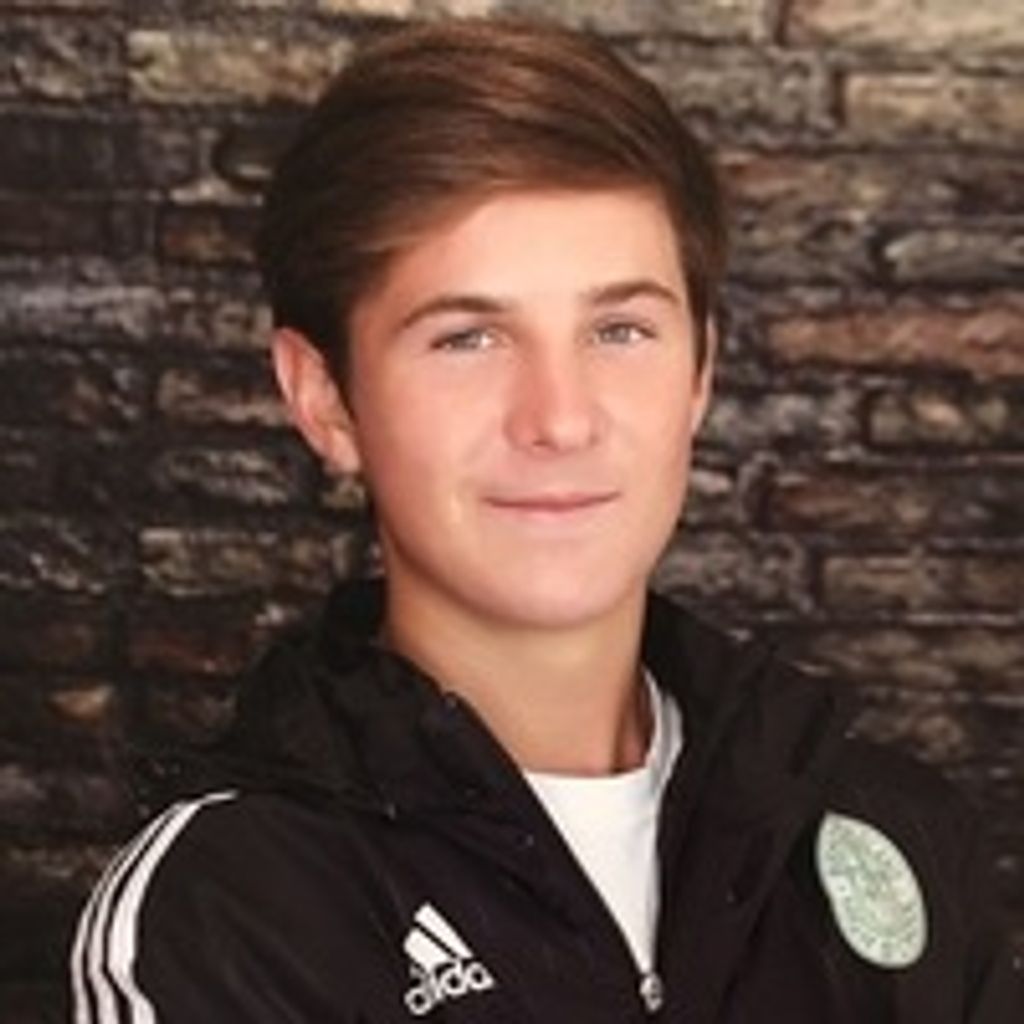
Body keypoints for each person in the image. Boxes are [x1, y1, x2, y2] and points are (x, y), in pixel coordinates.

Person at [69, 18, 1021, 1023]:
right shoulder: (231, 912)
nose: (560, 419)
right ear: (326, 398)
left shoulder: (896, 833)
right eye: (468, 337)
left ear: (700, 370)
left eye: (619, 330)